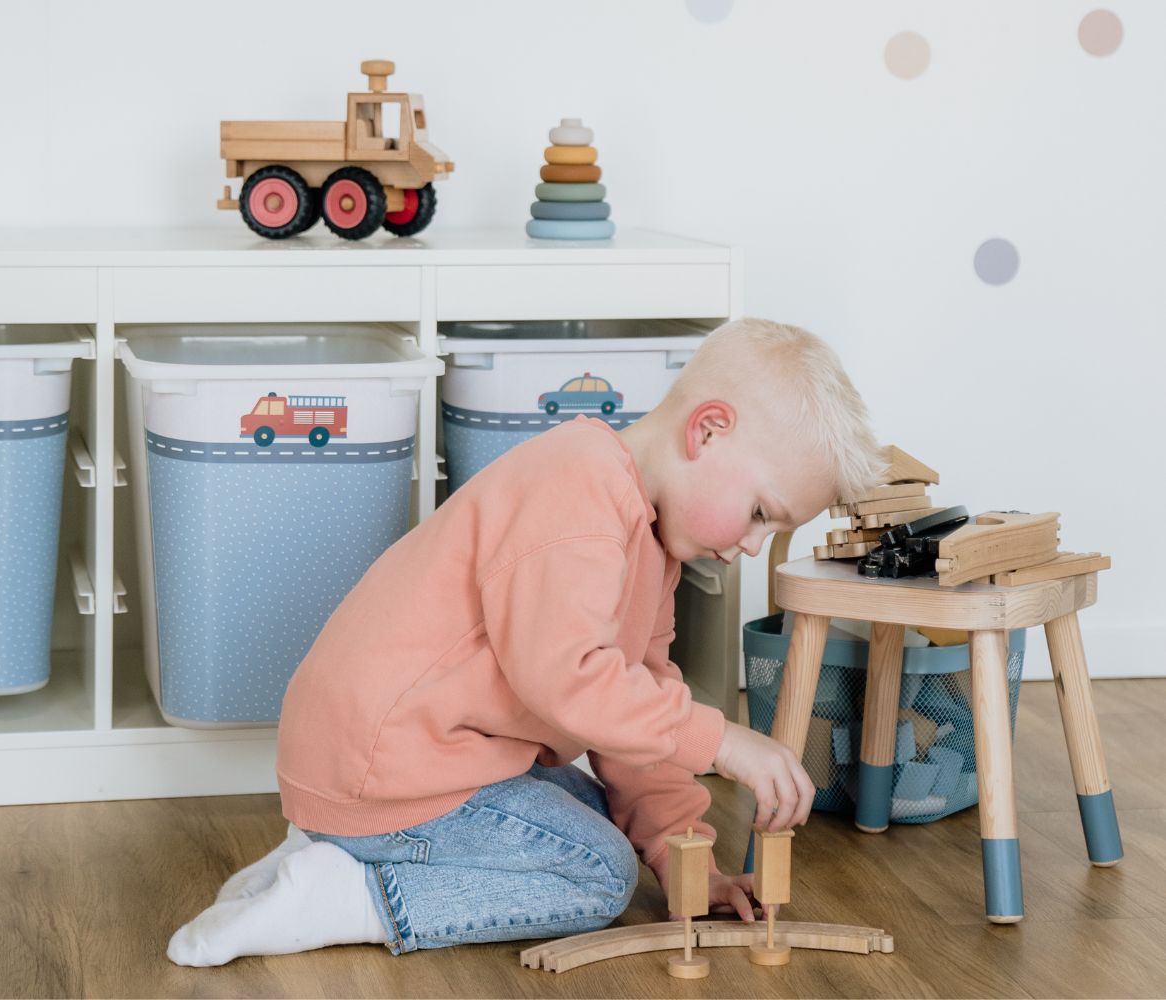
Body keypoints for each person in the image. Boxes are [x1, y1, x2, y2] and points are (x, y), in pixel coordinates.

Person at [167, 317, 884, 966]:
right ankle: (351, 895)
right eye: (761, 513)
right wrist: (724, 741)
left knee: (604, 817)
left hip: (423, 760)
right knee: (600, 874)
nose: (755, 547)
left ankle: (325, 855)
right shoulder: (578, 487)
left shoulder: (648, 540)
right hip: (389, 767)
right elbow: (571, 679)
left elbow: (639, 713)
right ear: (708, 431)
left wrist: (680, 858)